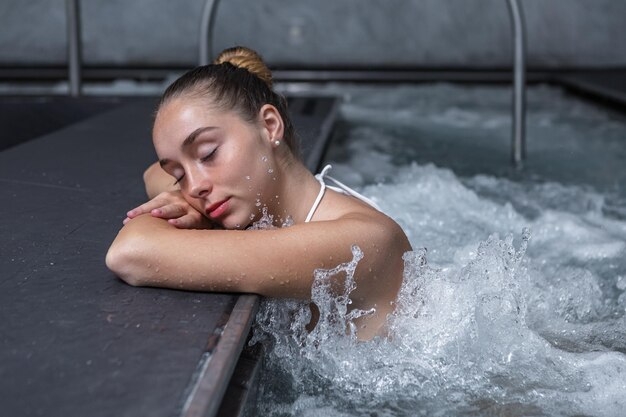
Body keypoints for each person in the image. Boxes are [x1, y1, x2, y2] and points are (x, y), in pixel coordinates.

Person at [105, 46, 412, 340]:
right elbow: (152, 173)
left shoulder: (364, 242)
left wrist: (185, 199)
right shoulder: (234, 199)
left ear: (269, 125)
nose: (194, 187)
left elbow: (131, 251)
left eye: (208, 153)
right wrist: (183, 198)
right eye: (179, 175)